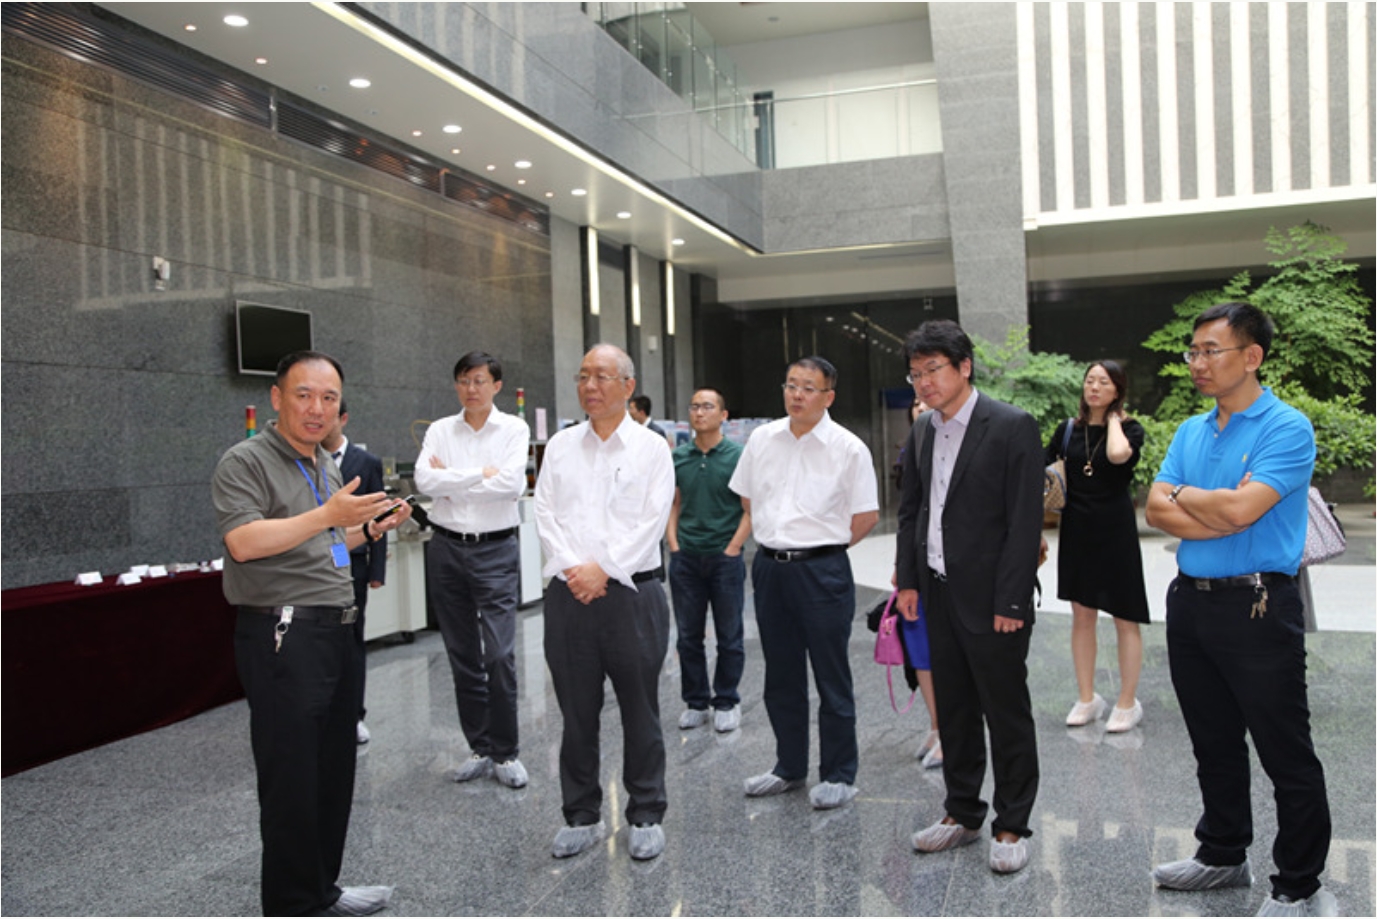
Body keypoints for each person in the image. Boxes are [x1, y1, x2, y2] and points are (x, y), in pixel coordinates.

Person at [1145, 302, 1334, 917]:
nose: (1197, 363)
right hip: (1190, 603)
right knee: (1213, 740)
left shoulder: (1286, 427)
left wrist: (1189, 498)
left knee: (1284, 748)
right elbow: (1155, 508)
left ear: (1252, 356)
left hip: (1258, 604)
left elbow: (1240, 511)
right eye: (1193, 351)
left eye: (1211, 351)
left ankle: (1299, 884)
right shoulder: (1190, 430)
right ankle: (1223, 852)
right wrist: (1211, 505)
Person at [212, 350, 411, 917]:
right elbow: (244, 542)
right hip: (284, 633)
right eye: (304, 395)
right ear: (277, 398)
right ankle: (291, 904)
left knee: (332, 770)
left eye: (329, 398)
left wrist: (368, 529)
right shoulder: (245, 461)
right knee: (292, 779)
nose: (317, 408)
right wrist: (328, 516)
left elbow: (320, 544)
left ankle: (322, 888)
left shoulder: (323, 463)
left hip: (335, 630)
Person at [895, 319, 1044, 875]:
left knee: (1005, 712)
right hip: (936, 592)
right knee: (954, 710)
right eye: (915, 374)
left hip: (993, 600)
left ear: (964, 367)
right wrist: (909, 582)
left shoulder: (1010, 426)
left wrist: (1011, 603)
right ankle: (961, 812)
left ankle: (1012, 823)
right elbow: (913, 511)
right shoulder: (923, 430)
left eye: (933, 370)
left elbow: (1025, 522)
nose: (924, 383)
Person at [534, 344, 676, 861]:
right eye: (583, 376)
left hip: (633, 595)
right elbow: (545, 512)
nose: (589, 386)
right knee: (575, 712)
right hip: (569, 595)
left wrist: (604, 569)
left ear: (627, 386)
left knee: (640, 709)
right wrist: (576, 569)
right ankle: (581, 814)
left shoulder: (651, 448)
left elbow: (651, 521)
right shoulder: (560, 447)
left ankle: (645, 812)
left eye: (601, 376)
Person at [729, 356, 878, 811]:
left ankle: (839, 774)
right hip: (770, 568)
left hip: (822, 572)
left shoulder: (848, 448)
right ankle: (788, 766)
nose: (797, 394)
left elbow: (866, 515)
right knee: (780, 673)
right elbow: (748, 499)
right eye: (791, 384)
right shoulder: (762, 438)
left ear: (828, 396)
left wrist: (822, 548)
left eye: (808, 387)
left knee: (831, 675)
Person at [415, 352, 531, 789]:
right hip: (446, 548)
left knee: (498, 655)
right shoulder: (441, 430)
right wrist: (479, 474)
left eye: (479, 381)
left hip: (495, 550)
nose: (471, 389)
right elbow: (424, 482)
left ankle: (506, 751)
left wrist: (452, 479)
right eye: (464, 381)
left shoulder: (513, 429)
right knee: (462, 654)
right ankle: (480, 747)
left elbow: (511, 484)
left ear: (496, 385)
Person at [1045, 361, 1150, 732]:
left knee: (1125, 615)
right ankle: (1087, 698)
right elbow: (1041, 466)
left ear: (1117, 389)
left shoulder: (1130, 429)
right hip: (1077, 527)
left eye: (1103, 382)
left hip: (1115, 529)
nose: (1093, 387)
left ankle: (1127, 702)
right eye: (1089, 380)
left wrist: (1114, 420)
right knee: (1082, 614)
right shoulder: (1067, 429)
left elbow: (1119, 455)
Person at [667, 387, 752, 733]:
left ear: (723, 415)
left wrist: (733, 547)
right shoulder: (678, 457)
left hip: (724, 558)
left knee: (729, 635)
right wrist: (674, 545)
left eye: (707, 406)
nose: (699, 413)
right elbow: (673, 503)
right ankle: (696, 702)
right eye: (694, 407)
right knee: (688, 636)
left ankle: (727, 700)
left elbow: (750, 508)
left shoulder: (738, 456)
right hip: (686, 558)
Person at [323, 400, 388, 746]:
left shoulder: (366, 462)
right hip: (316, 563)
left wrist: (377, 569)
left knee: (352, 639)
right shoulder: (306, 460)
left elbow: (380, 515)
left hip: (354, 561)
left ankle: (354, 715)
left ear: (344, 418)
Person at [894, 398, 941, 769]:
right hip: (917, 563)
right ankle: (937, 724)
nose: (921, 404)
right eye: (915, 401)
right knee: (921, 648)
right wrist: (903, 567)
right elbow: (907, 513)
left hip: (956, 567)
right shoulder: (912, 445)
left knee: (951, 653)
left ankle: (953, 729)